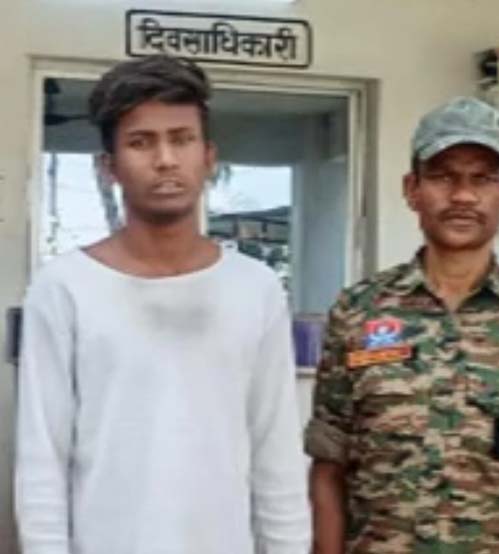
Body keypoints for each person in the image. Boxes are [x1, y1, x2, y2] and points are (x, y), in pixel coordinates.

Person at [15, 55, 310, 554]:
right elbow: (42, 458)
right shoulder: (64, 287)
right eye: (141, 142)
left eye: (182, 138)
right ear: (108, 167)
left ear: (208, 157)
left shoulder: (255, 288)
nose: (166, 159)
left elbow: (275, 453)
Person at [305, 96, 499, 553]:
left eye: (483, 178)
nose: (463, 196)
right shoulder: (359, 311)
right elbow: (329, 471)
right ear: (412, 189)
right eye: (443, 176)